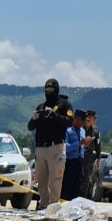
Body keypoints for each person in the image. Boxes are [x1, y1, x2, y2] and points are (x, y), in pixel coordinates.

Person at [28, 78, 73, 207]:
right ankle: (43, 205)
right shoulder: (41, 107)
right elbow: (30, 127)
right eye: (46, 91)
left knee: (55, 180)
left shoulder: (64, 104)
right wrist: (34, 119)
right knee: (41, 180)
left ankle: (53, 206)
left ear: (56, 90)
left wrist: (54, 115)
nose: (48, 93)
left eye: (51, 91)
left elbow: (70, 121)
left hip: (55, 147)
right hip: (41, 148)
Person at [61, 109, 87, 200]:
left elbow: (82, 148)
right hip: (70, 163)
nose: (83, 122)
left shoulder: (82, 131)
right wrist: (78, 144)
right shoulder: (68, 130)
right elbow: (65, 147)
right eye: (82, 120)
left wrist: (86, 145)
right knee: (66, 187)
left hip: (79, 163)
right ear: (76, 118)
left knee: (76, 189)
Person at [81, 110, 101, 199]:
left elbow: (98, 145)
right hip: (78, 157)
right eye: (93, 118)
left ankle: (83, 198)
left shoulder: (95, 131)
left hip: (88, 159)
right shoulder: (80, 128)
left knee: (86, 179)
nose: (94, 120)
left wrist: (98, 158)